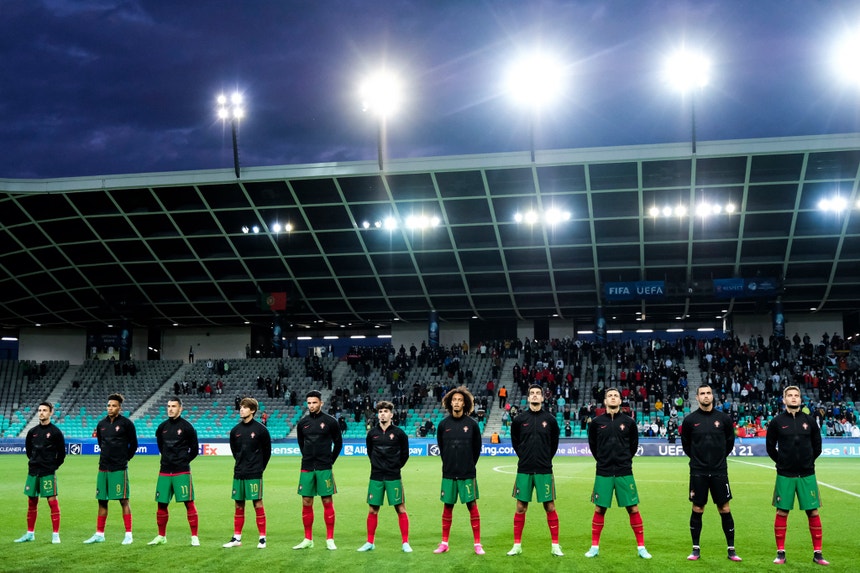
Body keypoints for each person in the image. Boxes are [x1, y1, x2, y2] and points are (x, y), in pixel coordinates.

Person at [585, 387, 651, 559]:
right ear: (605, 401)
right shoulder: (597, 423)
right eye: (610, 396)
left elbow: (633, 446)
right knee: (599, 509)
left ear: (621, 401)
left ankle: (641, 547)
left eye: (616, 396)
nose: (613, 398)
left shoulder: (629, 422)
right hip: (604, 471)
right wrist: (603, 460)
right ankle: (594, 547)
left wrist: (624, 461)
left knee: (633, 508)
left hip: (624, 471)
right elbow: (593, 446)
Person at [766, 385, 829, 566]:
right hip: (785, 474)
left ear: (800, 400)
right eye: (790, 396)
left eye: (796, 396)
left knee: (813, 511)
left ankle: (818, 553)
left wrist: (807, 461)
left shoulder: (809, 421)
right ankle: (780, 553)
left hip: (807, 474)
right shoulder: (777, 422)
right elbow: (770, 447)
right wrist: (782, 462)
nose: (794, 398)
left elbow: (817, 446)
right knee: (782, 511)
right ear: (784, 400)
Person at [680, 384, 742, 561]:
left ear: (712, 396)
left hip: (719, 471)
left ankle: (731, 549)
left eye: (708, 393)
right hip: (698, 472)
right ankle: (695, 549)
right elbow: (686, 445)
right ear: (697, 397)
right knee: (698, 508)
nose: (706, 396)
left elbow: (729, 443)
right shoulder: (690, 420)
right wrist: (698, 460)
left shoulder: (724, 419)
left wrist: (718, 459)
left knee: (724, 508)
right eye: (702, 394)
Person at [507, 384, 563, 557]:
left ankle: (555, 545)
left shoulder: (550, 420)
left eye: (538, 393)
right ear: (528, 397)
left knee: (550, 506)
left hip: (544, 469)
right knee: (520, 507)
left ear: (543, 397)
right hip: (524, 469)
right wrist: (524, 457)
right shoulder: (519, 419)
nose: (535, 396)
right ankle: (517, 545)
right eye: (532, 393)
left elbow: (554, 444)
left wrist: (545, 458)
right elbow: (515, 442)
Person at [434, 386, 484, 555]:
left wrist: (468, 465)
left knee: (472, 506)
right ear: (450, 403)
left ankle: (477, 544)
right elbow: (442, 448)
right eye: (454, 400)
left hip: (467, 473)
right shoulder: (443, 425)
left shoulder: (472, 425)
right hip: (448, 473)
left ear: (465, 404)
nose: (456, 402)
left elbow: (476, 449)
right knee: (447, 507)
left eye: (460, 400)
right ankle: (444, 543)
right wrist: (449, 464)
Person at [356, 401, 412, 553]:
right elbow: (370, 453)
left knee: (400, 508)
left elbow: (405, 455)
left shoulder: (400, 433)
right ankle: (370, 542)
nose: (382, 414)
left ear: (391, 414)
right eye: (380, 411)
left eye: (386, 411)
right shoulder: (372, 434)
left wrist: (395, 467)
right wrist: (378, 466)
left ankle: (405, 542)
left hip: (393, 476)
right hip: (376, 476)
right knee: (373, 509)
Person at [84, 393, 138, 545]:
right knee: (102, 501)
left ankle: (128, 534)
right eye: (109, 405)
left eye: (114, 406)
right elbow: (101, 443)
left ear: (120, 408)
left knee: (123, 500)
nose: (110, 408)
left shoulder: (127, 424)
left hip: (119, 468)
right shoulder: (101, 424)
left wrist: (124, 458)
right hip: (103, 467)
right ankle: (99, 534)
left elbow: (133, 445)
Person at [293, 390, 343, 551]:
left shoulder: (331, 421)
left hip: (324, 467)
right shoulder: (302, 423)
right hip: (307, 467)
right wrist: (308, 457)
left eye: (314, 402)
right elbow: (302, 443)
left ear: (321, 403)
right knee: (306, 502)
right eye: (309, 403)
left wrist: (330, 461)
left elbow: (338, 443)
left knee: (327, 501)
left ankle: (330, 539)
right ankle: (308, 539)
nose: (311, 406)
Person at [148, 397, 200, 546]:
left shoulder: (188, 427)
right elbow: (160, 446)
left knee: (189, 503)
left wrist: (183, 461)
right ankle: (161, 536)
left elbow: (195, 450)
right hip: (164, 471)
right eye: (169, 406)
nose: (170, 409)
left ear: (180, 408)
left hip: (181, 471)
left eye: (174, 406)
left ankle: (194, 536)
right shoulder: (162, 427)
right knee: (161, 504)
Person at [223, 397, 272, 549]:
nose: (241, 410)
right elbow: (234, 451)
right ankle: (237, 538)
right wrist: (241, 464)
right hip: (239, 472)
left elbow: (267, 452)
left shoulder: (261, 430)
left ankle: (262, 538)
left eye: (244, 407)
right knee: (238, 504)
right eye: (240, 407)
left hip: (254, 472)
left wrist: (258, 468)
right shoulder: (235, 431)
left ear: (252, 410)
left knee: (257, 503)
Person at [15, 401, 66, 544]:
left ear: (50, 413)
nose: (41, 412)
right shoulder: (32, 432)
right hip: (33, 471)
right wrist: (34, 462)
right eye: (39, 410)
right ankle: (30, 533)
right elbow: (29, 451)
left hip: (47, 472)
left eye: (44, 410)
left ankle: (55, 535)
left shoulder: (56, 432)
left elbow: (61, 454)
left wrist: (52, 466)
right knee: (31, 502)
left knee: (52, 501)